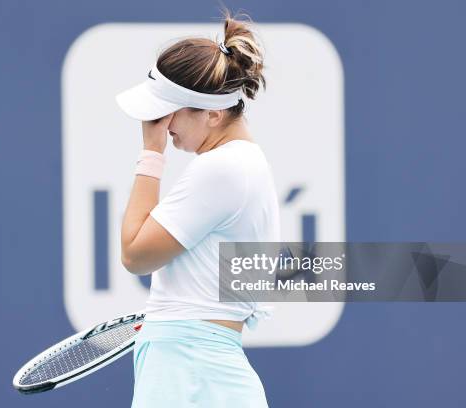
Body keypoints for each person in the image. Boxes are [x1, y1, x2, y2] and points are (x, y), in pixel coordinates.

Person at [115, 8, 280, 408]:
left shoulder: (223, 169)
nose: (159, 123)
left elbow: (135, 256)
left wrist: (150, 153)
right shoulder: (241, 165)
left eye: (169, 110)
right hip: (196, 369)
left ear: (213, 113)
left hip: (190, 374)